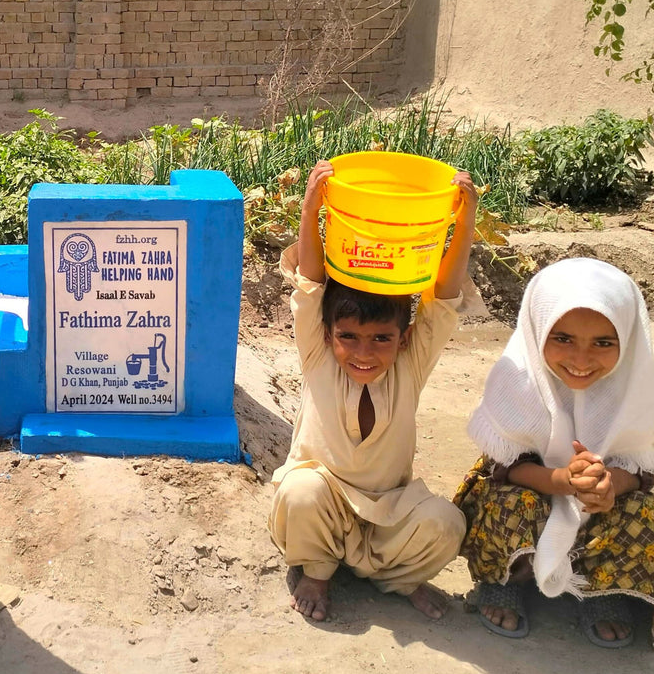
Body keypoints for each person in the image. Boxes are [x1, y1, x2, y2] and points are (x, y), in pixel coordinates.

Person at [268, 159, 479, 622]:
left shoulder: (412, 363)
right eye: (349, 337)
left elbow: (442, 297)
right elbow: (311, 284)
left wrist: (464, 220)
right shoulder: (318, 356)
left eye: (381, 338)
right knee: (300, 492)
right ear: (328, 336)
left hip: (390, 510)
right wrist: (312, 208)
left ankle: (395, 579)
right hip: (323, 505)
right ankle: (318, 572)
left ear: (402, 339)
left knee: (446, 524)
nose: (364, 352)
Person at [453, 257, 654, 647]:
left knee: (643, 508)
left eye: (603, 343)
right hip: (532, 488)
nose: (581, 360)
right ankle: (504, 580)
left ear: (628, 339)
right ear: (537, 329)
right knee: (509, 503)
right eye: (562, 338)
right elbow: (504, 467)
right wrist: (561, 480)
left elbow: (647, 465)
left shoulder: (642, 385)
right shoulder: (517, 377)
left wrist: (609, 483)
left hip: (606, 500)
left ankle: (603, 590)